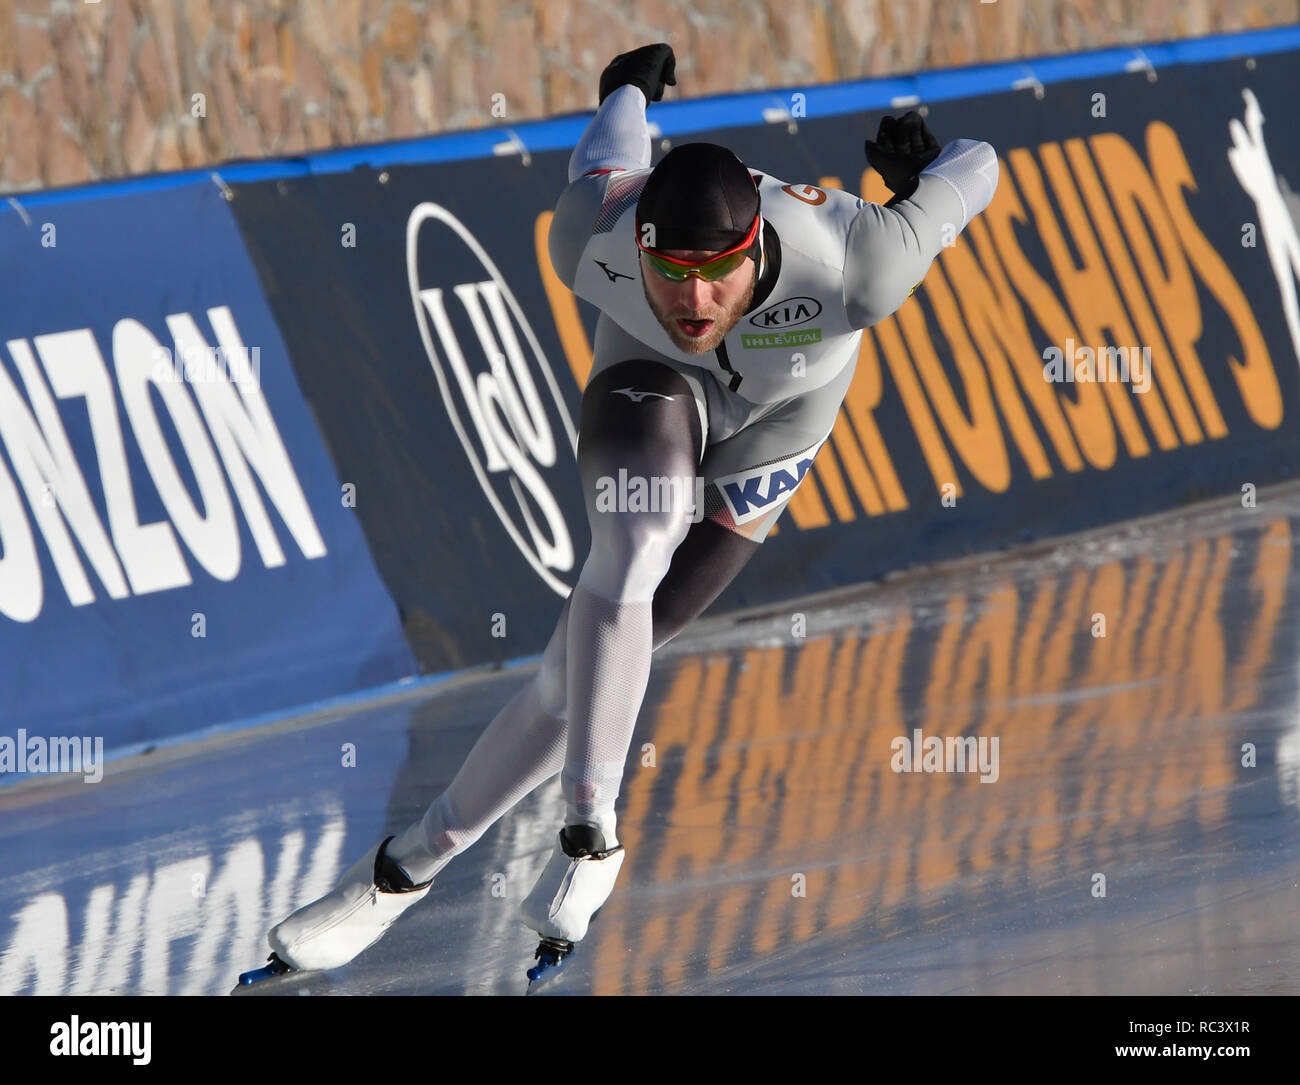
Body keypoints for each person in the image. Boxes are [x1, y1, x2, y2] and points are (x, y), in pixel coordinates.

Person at [256, 42, 998, 985]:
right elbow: (610, 146)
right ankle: (588, 833)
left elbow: (982, 164)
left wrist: (924, 176)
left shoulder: (859, 264)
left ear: (756, 250)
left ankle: (406, 868)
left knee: (574, 682)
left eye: (717, 273)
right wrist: (627, 88)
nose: (694, 298)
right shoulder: (594, 232)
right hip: (652, 384)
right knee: (635, 542)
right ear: (638, 244)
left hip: (778, 435)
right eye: (672, 271)